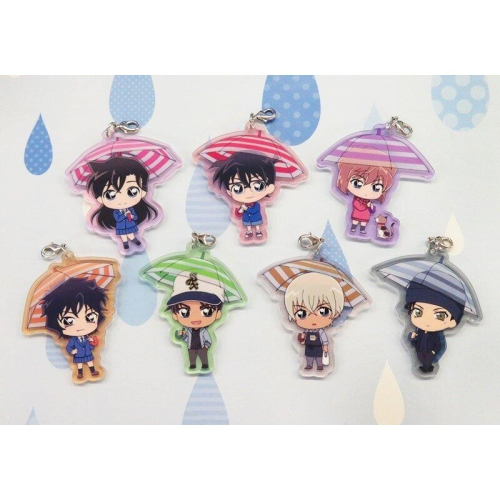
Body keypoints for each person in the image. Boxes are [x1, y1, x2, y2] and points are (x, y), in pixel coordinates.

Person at [41, 277, 107, 379]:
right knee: (79, 364)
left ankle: (93, 371)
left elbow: (92, 347)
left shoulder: (86, 338)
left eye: (90, 317)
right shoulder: (73, 340)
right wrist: (72, 352)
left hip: (88, 354)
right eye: (69, 321)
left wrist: (92, 344)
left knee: (90, 362)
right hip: (79, 355)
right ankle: (80, 373)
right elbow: (69, 347)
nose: (81, 326)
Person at [87, 156, 158, 250]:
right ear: (100, 198)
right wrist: (125, 215)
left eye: (132, 191)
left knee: (131, 234)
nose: (122, 200)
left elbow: (135, 217)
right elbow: (118, 218)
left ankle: (135, 241)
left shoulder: (131, 209)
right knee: (123, 236)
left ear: (143, 191)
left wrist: (131, 216)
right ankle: (125, 244)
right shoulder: (116, 212)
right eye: (110, 195)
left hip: (130, 224)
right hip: (120, 226)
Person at [284, 272, 344, 371]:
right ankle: (309, 365)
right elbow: (302, 341)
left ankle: (320, 365)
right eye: (301, 313)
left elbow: (324, 339)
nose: (312, 319)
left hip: (318, 346)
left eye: (323, 312)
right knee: (309, 356)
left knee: (319, 356)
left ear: (336, 313)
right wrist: (302, 339)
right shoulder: (306, 331)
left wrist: (325, 347)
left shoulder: (321, 332)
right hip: (309, 346)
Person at [167, 271, 224, 371]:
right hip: (191, 347)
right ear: (175, 315)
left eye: (206, 311)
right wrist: (182, 336)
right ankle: (192, 365)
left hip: (202, 347)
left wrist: (207, 345)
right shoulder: (188, 331)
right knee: (191, 356)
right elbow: (186, 339)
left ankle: (205, 365)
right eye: (184, 312)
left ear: (218, 313)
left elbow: (207, 338)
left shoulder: (204, 331)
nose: (195, 317)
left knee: (203, 356)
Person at [405, 278, 464, 373]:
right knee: (421, 358)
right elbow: (414, 342)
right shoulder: (419, 331)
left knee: (427, 361)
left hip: (429, 352)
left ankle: (427, 367)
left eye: (439, 315)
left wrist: (433, 352)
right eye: (418, 312)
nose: (427, 320)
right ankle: (426, 367)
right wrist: (412, 338)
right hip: (420, 351)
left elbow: (439, 344)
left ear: (452, 322)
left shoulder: (436, 335)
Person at [211, 152, 276, 239]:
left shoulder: (256, 204)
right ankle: (249, 232)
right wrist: (241, 210)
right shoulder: (243, 204)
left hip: (256, 218)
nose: (248, 192)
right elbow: (238, 214)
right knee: (248, 225)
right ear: (229, 192)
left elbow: (255, 210)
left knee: (257, 225)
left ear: (269, 187)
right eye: (238, 189)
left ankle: (258, 231)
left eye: (257, 186)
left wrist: (246, 209)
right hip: (246, 219)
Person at [336, 163, 395, 234]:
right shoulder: (356, 199)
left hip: (366, 215)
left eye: (376, 188)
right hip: (357, 213)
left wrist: (371, 206)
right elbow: (356, 204)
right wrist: (366, 206)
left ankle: (362, 230)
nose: (366, 192)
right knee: (355, 221)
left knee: (363, 222)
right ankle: (353, 228)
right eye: (357, 183)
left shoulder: (369, 201)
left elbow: (372, 210)